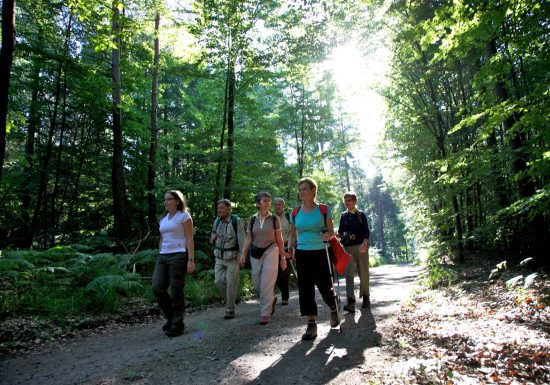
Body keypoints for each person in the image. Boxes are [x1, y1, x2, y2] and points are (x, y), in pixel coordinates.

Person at [289, 177, 340, 341]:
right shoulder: (295, 212)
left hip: (321, 251)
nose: (301, 192)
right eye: (300, 189)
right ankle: (311, 324)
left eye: (305, 189)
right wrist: (289, 249)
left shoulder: (324, 209)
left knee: (325, 286)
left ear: (313, 191)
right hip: (302, 252)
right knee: (305, 288)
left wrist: (328, 234)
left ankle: (333, 307)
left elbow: (331, 231)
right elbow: (292, 234)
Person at [239, 191, 287, 325]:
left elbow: (280, 239)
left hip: (271, 249)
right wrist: (243, 253)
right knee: (256, 282)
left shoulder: (274, 219)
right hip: (255, 252)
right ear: (258, 203)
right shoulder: (252, 219)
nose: (267, 203)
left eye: (268, 200)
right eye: (264, 200)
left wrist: (283, 257)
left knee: (267, 281)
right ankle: (270, 299)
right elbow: (249, 238)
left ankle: (265, 312)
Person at [152, 190, 195, 337]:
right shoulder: (163, 219)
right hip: (163, 256)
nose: (166, 202)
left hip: (178, 255)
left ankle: (177, 324)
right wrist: (160, 253)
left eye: (169, 199)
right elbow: (162, 238)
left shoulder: (184, 216)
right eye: (164, 199)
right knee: (157, 287)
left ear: (177, 201)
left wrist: (191, 259)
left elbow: (189, 238)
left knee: (176, 289)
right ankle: (172, 318)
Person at [210, 199, 246, 319]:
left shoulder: (237, 221)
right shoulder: (216, 221)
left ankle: (230, 310)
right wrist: (212, 238)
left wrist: (242, 256)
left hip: (233, 258)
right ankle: (232, 300)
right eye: (218, 208)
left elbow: (243, 241)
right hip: (219, 258)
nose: (219, 210)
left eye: (222, 208)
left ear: (229, 209)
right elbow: (211, 239)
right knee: (218, 282)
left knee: (231, 284)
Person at [338, 191, 370, 312]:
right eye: (345, 201)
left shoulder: (361, 215)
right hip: (347, 248)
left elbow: (366, 231)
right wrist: (339, 235)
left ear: (355, 201)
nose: (347, 203)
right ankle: (350, 301)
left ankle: (366, 298)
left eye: (349, 200)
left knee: (363, 273)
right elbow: (341, 231)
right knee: (349, 275)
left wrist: (365, 243)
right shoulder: (343, 216)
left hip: (361, 247)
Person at [274, 197, 292, 305]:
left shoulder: (288, 217)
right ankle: (282, 292)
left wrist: (290, 248)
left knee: (285, 272)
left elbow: (292, 233)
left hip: (286, 247)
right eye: (276, 204)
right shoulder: (270, 218)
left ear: (283, 206)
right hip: (273, 249)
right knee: (275, 273)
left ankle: (285, 297)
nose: (278, 206)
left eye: (280, 204)